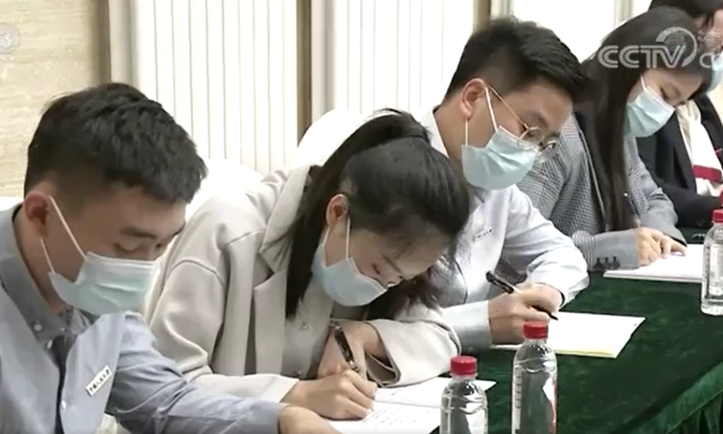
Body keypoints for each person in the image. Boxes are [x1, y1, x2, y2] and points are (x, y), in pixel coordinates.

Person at [0, 83, 340, 434]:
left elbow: (162, 401)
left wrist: (281, 420)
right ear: (41, 214)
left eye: (161, 246)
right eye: (127, 247)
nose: (141, 270)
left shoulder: (93, 298)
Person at [143, 110, 472, 420]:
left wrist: (363, 334)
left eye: (398, 279)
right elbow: (162, 387)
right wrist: (294, 396)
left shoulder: (391, 252)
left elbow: (439, 336)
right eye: (376, 268)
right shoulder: (226, 231)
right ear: (338, 213)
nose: (381, 286)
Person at [294, 18, 590, 349]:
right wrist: (479, 322)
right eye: (528, 130)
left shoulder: (492, 184)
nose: (530, 153)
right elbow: (335, 320)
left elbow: (562, 253)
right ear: (473, 97)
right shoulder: (382, 167)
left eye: (543, 143)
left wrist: (544, 292)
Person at [517, 7, 708, 271]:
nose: (665, 112)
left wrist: (660, 235)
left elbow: (656, 198)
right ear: (629, 67)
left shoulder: (620, 130)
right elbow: (519, 247)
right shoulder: (557, 135)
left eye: (676, 104)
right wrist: (610, 248)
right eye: (665, 94)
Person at [637, 0, 723, 228]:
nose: (716, 56)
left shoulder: (699, 105)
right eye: (714, 46)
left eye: (721, 50)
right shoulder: (644, 105)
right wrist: (717, 207)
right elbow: (645, 189)